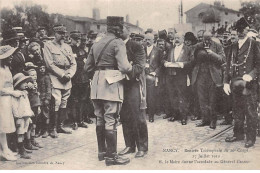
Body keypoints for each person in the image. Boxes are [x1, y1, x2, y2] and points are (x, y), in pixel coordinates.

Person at [84, 16, 132, 166]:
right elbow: (124, 67)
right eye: (122, 27)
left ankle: (102, 152)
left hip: (97, 84)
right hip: (111, 82)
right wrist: (130, 67)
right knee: (111, 118)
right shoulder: (117, 43)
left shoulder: (96, 43)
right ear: (117, 28)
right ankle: (112, 157)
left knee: (99, 118)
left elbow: (87, 68)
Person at [223, 17, 260, 148]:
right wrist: (225, 82)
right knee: (237, 110)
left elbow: (258, 65)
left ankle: (250, 138)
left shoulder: (254, 44)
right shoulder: (232, 46)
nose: (240, 33)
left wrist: (251, 75)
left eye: (242, 30)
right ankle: (238, 134)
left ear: (247, 29)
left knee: (250, 111)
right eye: (237, 30)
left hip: (249, 84)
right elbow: (228, 66)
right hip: (235, 83)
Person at [119, 25, 148, 158]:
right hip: (120, 85)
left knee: (138, 116)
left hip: (134, 83)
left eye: (122, 30)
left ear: (128, 32)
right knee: (124, 116)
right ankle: (130, 145)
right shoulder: (115, 45)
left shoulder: (136, 46)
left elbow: (139, 66)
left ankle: (142, 146)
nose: (119, 32)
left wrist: (126, 72)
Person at [43, 24, 77, 138]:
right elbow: (50, 64)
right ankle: (52, 128)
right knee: (56, 102)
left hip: (67, 77)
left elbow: (73, 63)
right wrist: (62, 74)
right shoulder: (48, 46)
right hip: (56, 77)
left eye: (64, 33)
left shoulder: (68, 47)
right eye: (60, 33)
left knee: (64, 101)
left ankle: (60, 126)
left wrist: (69, 74)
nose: (63, 36)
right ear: (55, 33)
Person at [192, 31, 225, 129]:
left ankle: (213, 120)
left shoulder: (218, 46)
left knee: (212, 99)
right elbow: (192, 59)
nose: (206, 41)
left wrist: (211, 53)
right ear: (202, 38)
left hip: (212, 75)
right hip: (200, 74)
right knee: (202, 99)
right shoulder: (198, 45)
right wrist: (197, 54)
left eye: (208, 39)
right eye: (204, 39)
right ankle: (205, 119)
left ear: (212, 38)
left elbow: (222, 59)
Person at [162, 32, 193, 125]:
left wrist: (183, 64)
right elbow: (163, 59)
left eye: (178, 37)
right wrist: (165, 63)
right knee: (172, 95)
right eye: (175, 38)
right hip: (171, 75)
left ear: (183, 39)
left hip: (181, 75)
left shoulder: (188, 49)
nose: (176, 39)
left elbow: (192, 61)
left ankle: (183, 117)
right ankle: (175, 114)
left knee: (182, 96)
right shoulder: (170, 49)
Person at [0, 45, 19, 161]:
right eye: (9, 55)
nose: (11, 57)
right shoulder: (1, 71)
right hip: (2, 100)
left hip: (8, 99)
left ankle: (5, 149)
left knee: (6, 125)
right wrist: (12, 93)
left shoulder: (7, 68)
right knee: (3, 126)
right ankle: (4, 150)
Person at [68, 30, 90, 130]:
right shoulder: (68, 50)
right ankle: (74, 121)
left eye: (78, 39)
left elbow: (86, 63)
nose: (77, 41)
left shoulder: (82, 51)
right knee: (74, 100)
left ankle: (80, 120)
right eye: (75, 39)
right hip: (74, 79)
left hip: (83, 78)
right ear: (70, 39)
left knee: (82, 100)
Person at [12, 73, 35, 159]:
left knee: (24, 131)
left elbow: (27, 104)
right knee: (20, 133)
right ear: (18, 84)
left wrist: (30, 112)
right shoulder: (16, 94)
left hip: (26, 116)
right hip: (20, 117)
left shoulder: (24, 93)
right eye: (24, 82)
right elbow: (14, 106)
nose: (26, 84)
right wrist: (17, 117)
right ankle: (21, 150)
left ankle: (23, 147)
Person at [144, 33, 163, 122]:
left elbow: (160, 65)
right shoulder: (141, 49)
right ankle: (143, 114)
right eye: (146, 40)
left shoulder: (158, 51)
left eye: (149, 40)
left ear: (153, 41)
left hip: (152, 76)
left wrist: (155, 73)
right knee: (142, 95)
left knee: (151, 96)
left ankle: (151, 115)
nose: (147, 41)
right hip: (142, 76)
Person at [38, 65, 52, 138]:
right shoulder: (38, 77)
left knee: (46, 115)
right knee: (40, 115)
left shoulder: (46, 77)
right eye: (40, 68)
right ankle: (40, 130)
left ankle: (46, 130)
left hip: (44, 99)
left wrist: (47, 99)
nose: (42, 69)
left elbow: (49, 89)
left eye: (43, 68)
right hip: (39, 99)